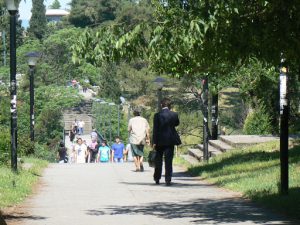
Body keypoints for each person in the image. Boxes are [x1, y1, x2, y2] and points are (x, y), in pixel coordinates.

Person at [152, 98, 181, 186]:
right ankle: (168, 179)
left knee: (158, 160)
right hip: (170, 140)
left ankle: (157, 178)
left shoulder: (157, 115)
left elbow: (155, 130)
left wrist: (154, 142)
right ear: (170, 105)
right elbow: (176, 124)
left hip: (159, 141)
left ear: (161, 105)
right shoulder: (174, 114)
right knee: (168, 160)